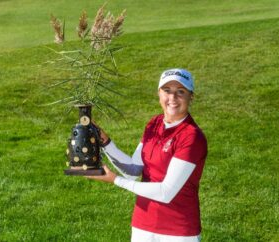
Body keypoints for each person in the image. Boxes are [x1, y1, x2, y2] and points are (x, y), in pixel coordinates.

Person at [87, 68, 208, 242]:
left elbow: (166, 192)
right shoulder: (154, 124)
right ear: (159, 94)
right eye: (167, 91)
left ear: (191, 96)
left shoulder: (191, 137)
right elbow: (133, 169)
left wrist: (115, 180)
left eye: (180, 92)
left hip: (179, 230)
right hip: (143, 225)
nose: (172, 98)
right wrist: (104, 141)